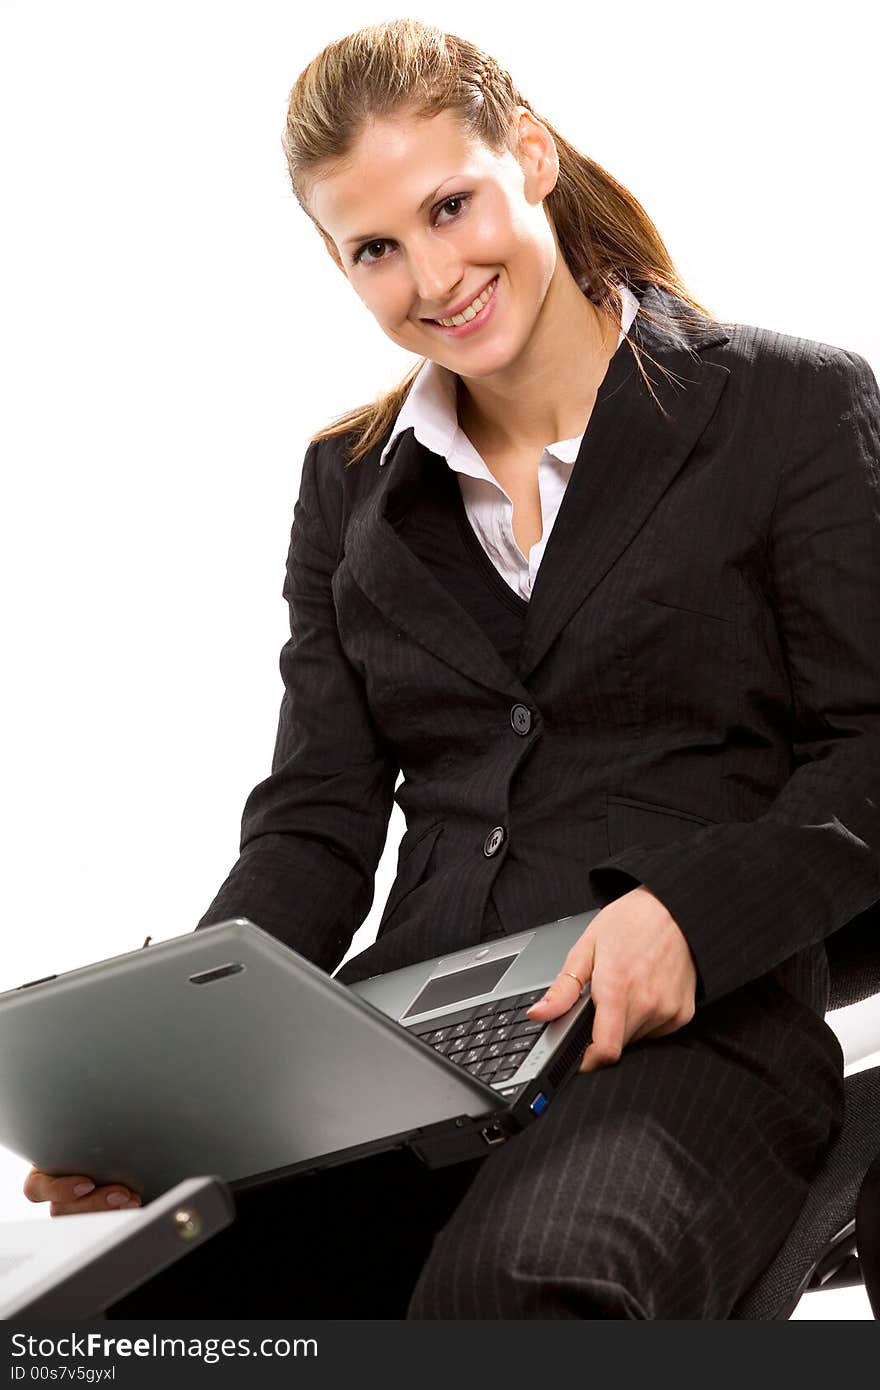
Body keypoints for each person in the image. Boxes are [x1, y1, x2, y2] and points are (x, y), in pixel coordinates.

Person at [23, 18, 880, 1319]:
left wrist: (690, 912)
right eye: (376, 247)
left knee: (508, 1297)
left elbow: (870, 752)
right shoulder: (349, 490)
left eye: (449, 206)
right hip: (397, 1057)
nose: (432, 273)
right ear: (335, 261)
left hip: (684, 1042)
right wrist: (176, 1086)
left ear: (528, 156)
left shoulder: (788, 411)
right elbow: (314, 831)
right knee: (129, 1303)